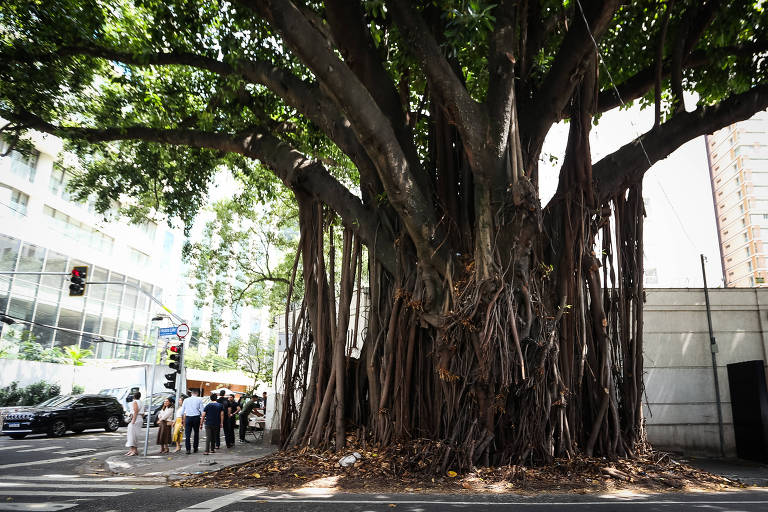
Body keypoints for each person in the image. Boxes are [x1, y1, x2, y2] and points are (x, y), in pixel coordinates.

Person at [180, 389, 204, 454]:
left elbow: (182, 411)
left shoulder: (186, 400)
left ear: (191, 393)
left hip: (188, 418)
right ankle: (195, 448)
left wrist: (182, 420)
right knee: (196, 433)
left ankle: (188, 449)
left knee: (187, 434)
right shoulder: (199, 399)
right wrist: (202, 421)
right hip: (196, 418)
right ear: (197, 394)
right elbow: (202, 411)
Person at [124, 391, 143, 456]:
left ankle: (133, 450)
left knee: (132, 435)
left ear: (134, 396)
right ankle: (132, 450)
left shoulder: (135, 402)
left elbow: (136, 411)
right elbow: (143, 413)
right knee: (134, 435)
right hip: (139, 418)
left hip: (135, 419)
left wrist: (133, 421)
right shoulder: (141, 402)